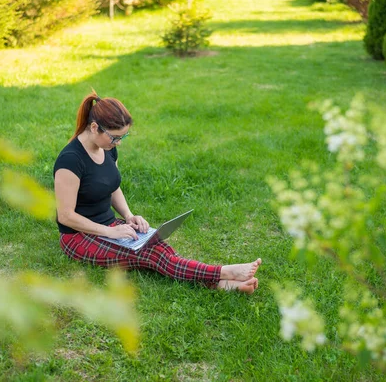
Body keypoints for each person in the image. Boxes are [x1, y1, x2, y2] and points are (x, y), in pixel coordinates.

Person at [53, 92, 261, 293]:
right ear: (94, 127)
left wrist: (129, 216)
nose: (119, 143)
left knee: (157, 244)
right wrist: (110, 232)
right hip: (79, 237)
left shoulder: (107, 148)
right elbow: (66, 216)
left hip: (110, 225)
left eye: (123, 136)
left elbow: (112, 186)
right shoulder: (71, 160)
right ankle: (225, 272)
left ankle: (222, 285)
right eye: (115, 137)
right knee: (150, 256)